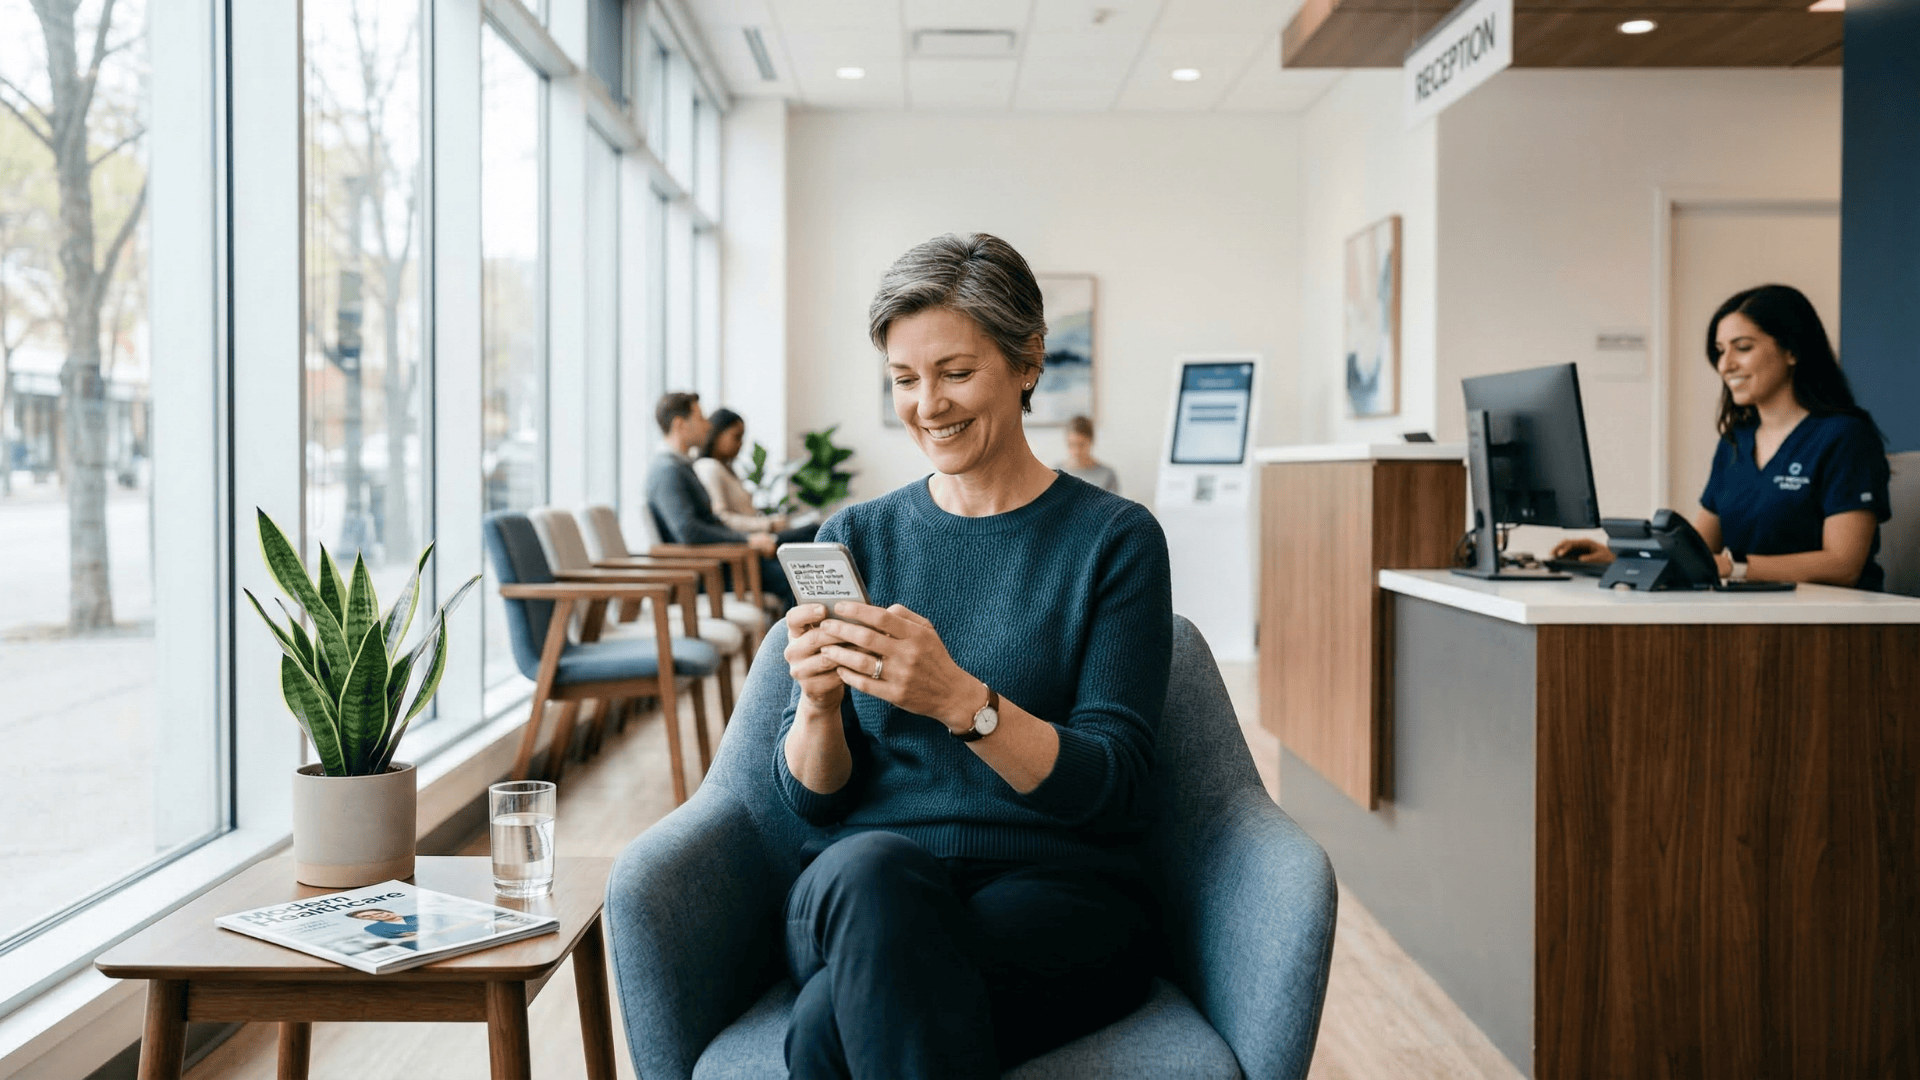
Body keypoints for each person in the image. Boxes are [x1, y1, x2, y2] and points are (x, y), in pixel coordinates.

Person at [774, 232, 1171, 1079]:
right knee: (873, 869)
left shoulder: (1115, 539)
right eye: (905, 380)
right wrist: (817, 707)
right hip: (859, 886)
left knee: (825, 1029)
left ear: (1028, 362)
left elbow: (1114, 788)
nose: (928, 406)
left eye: (955, 373)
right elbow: (811, 804)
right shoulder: (855, 536)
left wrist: (963, 702)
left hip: (1059, 890)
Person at [1553, 284, 1891, 589]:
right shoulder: (1735, 442)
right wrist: (1621, 555)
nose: (1725, 365)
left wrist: (1735, 567)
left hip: (1834, 622)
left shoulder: (1845, 437)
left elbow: (1843, 564)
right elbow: (1699, 548)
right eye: (1719, 351)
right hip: (1754, 612)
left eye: (1742, 347)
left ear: (1792, 351)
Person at [646, 392, 796, 608]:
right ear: (680, 425)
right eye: (700, 418)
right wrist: (747, 541)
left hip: (720, 563)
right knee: (798, 581)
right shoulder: (668, 471)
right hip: (708, 573)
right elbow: (689, 530)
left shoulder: (681, 467)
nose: (708, 426)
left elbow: (705, 523)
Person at [694, 407, 819, 543]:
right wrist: (767, 524)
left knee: (814, 530)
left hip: (760, 536)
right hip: (750, 542)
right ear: (717, 433)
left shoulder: (727, 469)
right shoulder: (709, 467)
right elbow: (721, 517)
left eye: (742, 437)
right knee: (814, 531)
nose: (740, 443)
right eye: (736, 436)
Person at [1056, 414, 1119, 494]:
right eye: (1071, 444)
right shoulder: (1054, 474)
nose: (1076, 451)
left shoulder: (1107, 475)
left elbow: (1113, 506)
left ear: (1092, 442)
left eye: (1081, 444)